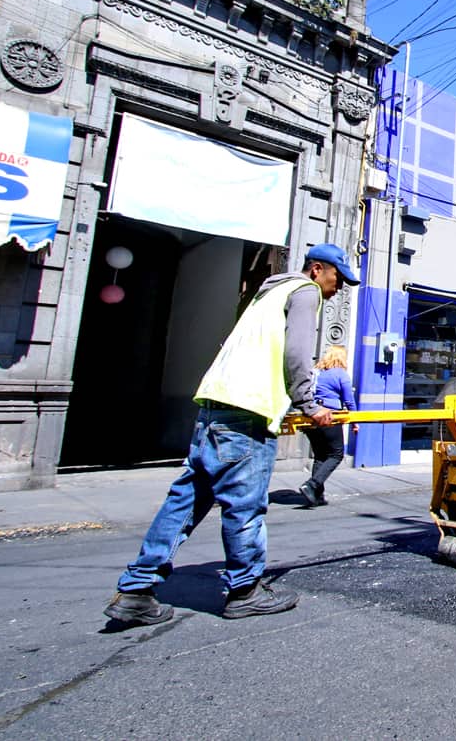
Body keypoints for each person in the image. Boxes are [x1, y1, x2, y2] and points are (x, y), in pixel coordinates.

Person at [104, 243, 361, 626]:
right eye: (337, 277)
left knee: (186, 500)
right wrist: (310, 404)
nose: (339, 287)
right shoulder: (304, 292)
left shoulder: (268, 293)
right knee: (245, 505)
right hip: (247, 413)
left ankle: (137, 588)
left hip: (215, 406)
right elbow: (297, 353)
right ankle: (245, 591)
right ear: (317, 269)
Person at [300, 344, 356, 507]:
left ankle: (316, 496)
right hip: (329, 416)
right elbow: (348, 400)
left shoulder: (316, 372)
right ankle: (312, 484)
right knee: (336, 454)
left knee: (320, 455)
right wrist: (355, 420)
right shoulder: (340, 374)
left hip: (311, 415)